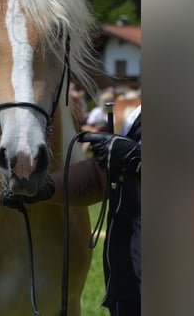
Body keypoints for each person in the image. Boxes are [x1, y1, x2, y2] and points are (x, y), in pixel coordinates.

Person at [44, 104, 142, 316]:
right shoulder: (138, 118)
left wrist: (137, 158)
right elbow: (99, 179)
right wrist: (45, 189)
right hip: (130, 284)